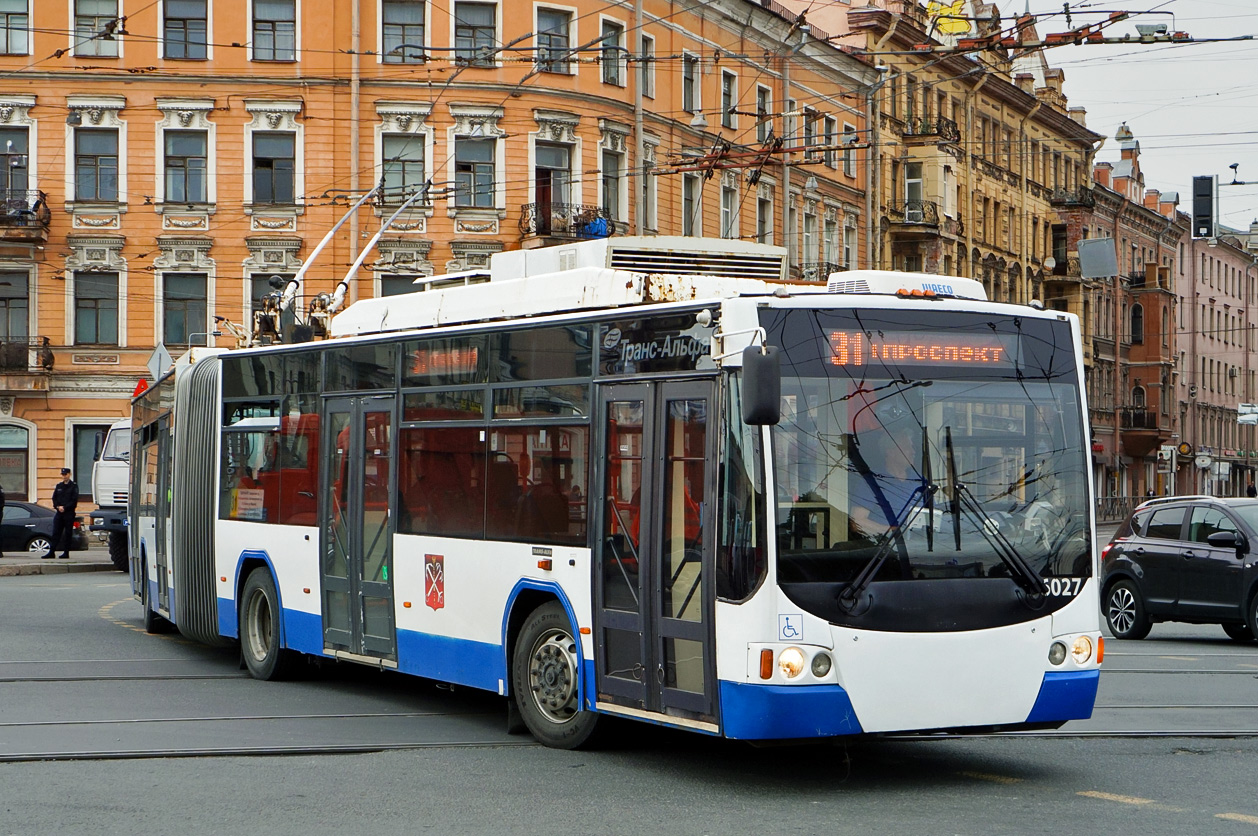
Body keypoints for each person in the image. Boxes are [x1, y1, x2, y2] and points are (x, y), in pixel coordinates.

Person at [46, 468, 78, 559]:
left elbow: (74, 500)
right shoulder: (59, 486)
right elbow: (54, 498)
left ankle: (66, 553)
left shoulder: (73, 486)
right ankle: (51, 552)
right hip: (59, 513)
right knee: (56, 532)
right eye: (63, 474)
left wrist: (65, 507)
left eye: (65, 474)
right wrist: (57, 506)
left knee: (68, 533)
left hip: (69, 513)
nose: (64, 476)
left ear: (69, 474)